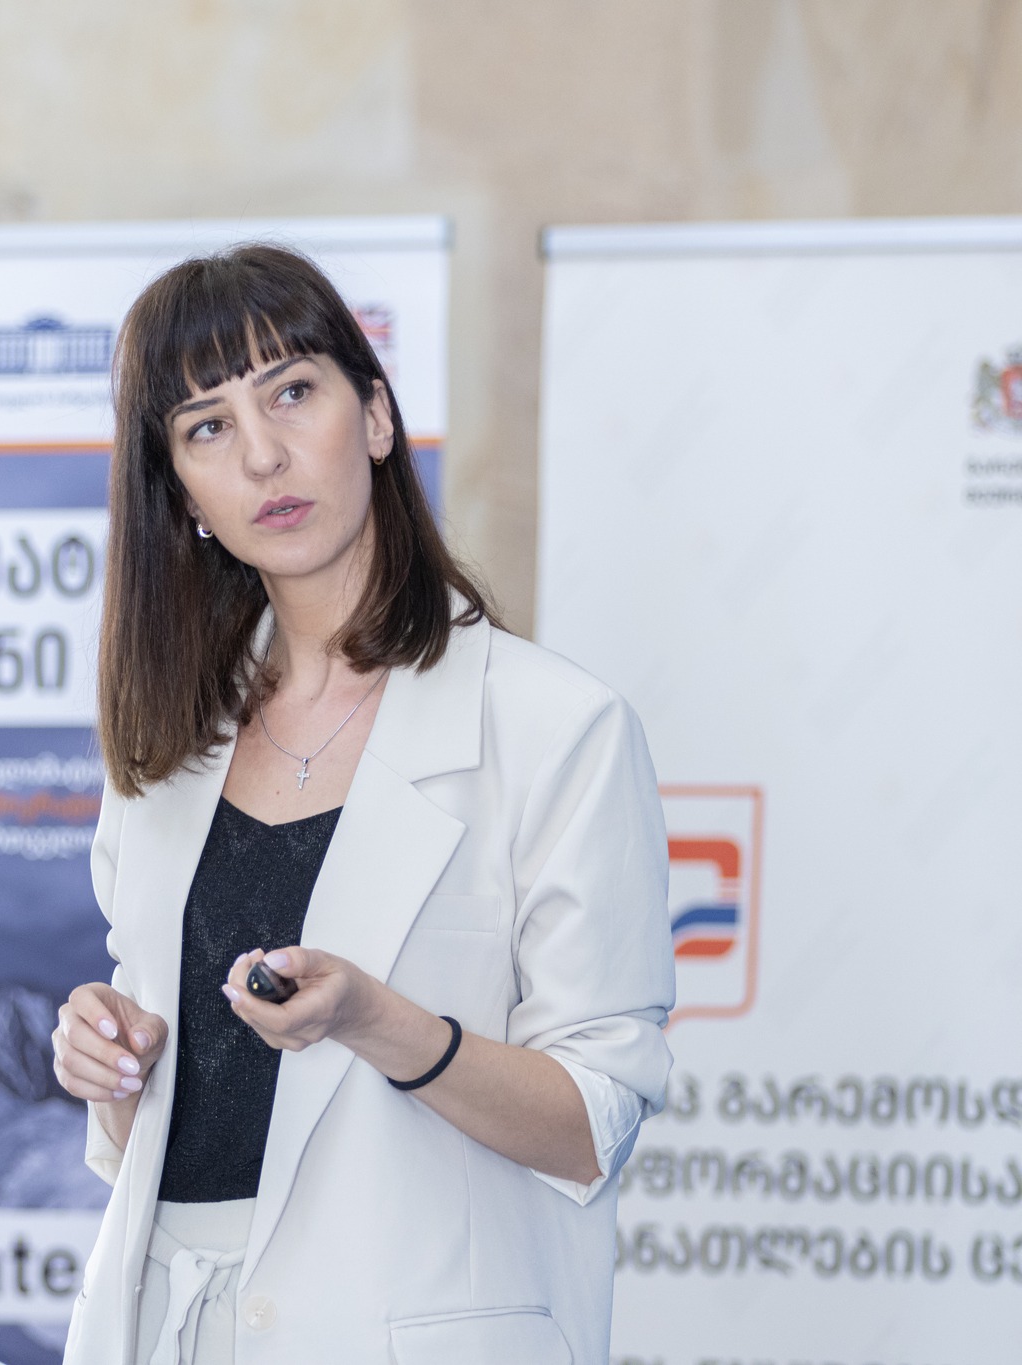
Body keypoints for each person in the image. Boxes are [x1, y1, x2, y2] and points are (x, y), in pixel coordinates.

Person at [53, 244, 674, 1365]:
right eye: (206, 427)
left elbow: (594, 1125)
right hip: (163, 1324)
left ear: (377, 416)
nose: (262, 453)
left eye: (292, 392)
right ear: (182, 495)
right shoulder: (164, 752)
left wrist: (376, 1021)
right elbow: (170, 1135)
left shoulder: (553, 727)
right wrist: (111, 1065)